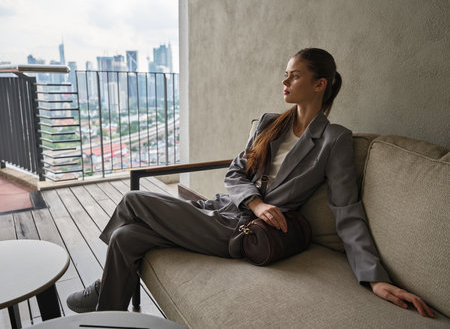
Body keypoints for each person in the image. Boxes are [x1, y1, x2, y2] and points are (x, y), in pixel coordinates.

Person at [67, 48, 434, 318]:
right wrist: (256, 201)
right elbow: (234, 173)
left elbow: (346, 210)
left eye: (294, 75)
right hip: (224, 211)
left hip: (245, 232)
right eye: (285, 73)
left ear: (319, 84)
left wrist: (373, 279)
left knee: (134, 202)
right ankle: (108, 318)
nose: (285, 81)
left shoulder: (334, 140)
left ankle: (102, 286)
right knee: (124, 237)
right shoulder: (268, 122)